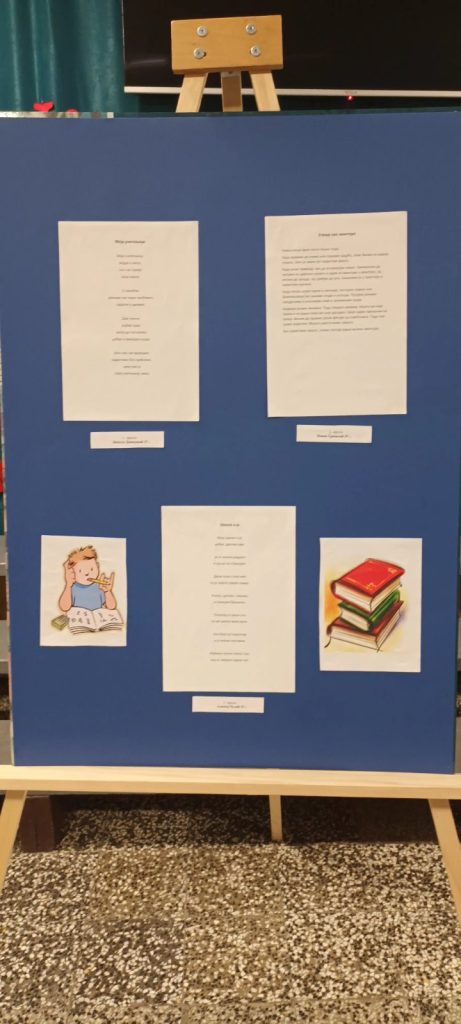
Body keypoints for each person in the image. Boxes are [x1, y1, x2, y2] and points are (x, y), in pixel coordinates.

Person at [58, 545, 116, 612]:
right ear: (72, 572)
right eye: (80, 571)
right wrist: (68, 585)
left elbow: (111, 607)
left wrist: (108, 591)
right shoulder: (72, 588)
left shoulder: (100, 587)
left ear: (97, 566)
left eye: (91, 569)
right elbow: (64, 608)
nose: (87, 574)